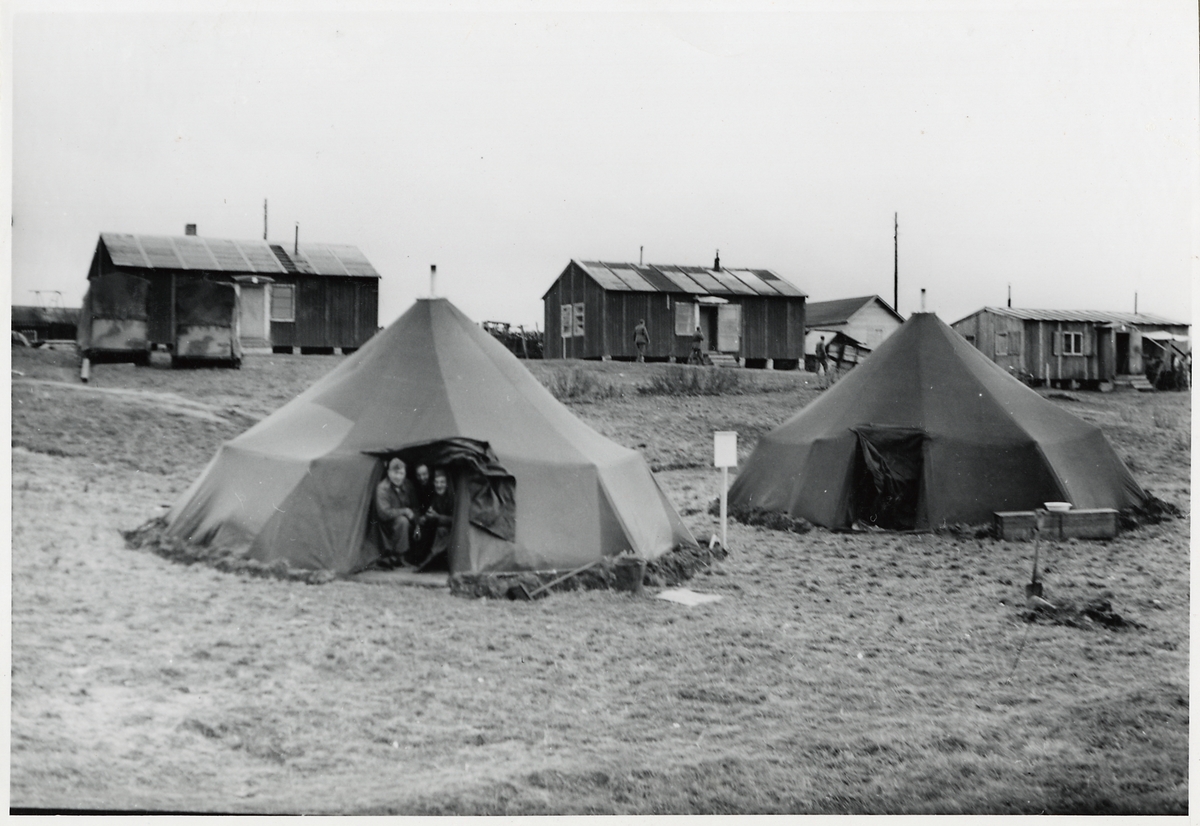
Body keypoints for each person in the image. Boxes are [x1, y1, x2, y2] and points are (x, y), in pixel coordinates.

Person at [374, 457, 418, 568]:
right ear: (389, 473)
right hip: (387, 526)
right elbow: (384, 514)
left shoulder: (408, 485)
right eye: (395, 473)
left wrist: (417, 522)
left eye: (401, 473)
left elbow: (415, 506)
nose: (398, 477)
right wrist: (404, 511)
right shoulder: (382, 488)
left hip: (407, 524)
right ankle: (400, 557)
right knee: (402, 521)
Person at [416, 468, 455, 571]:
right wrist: (424, 518)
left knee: (441, 530)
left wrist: (437, 517)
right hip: (441, 529)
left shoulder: (453, 498)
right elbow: (432, 511)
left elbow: (456, 520)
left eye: (442, 482)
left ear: (447, 484)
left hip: (451, 531)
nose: (439, 485)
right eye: (436, 482)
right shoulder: (436, 497)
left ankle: (430, 561)